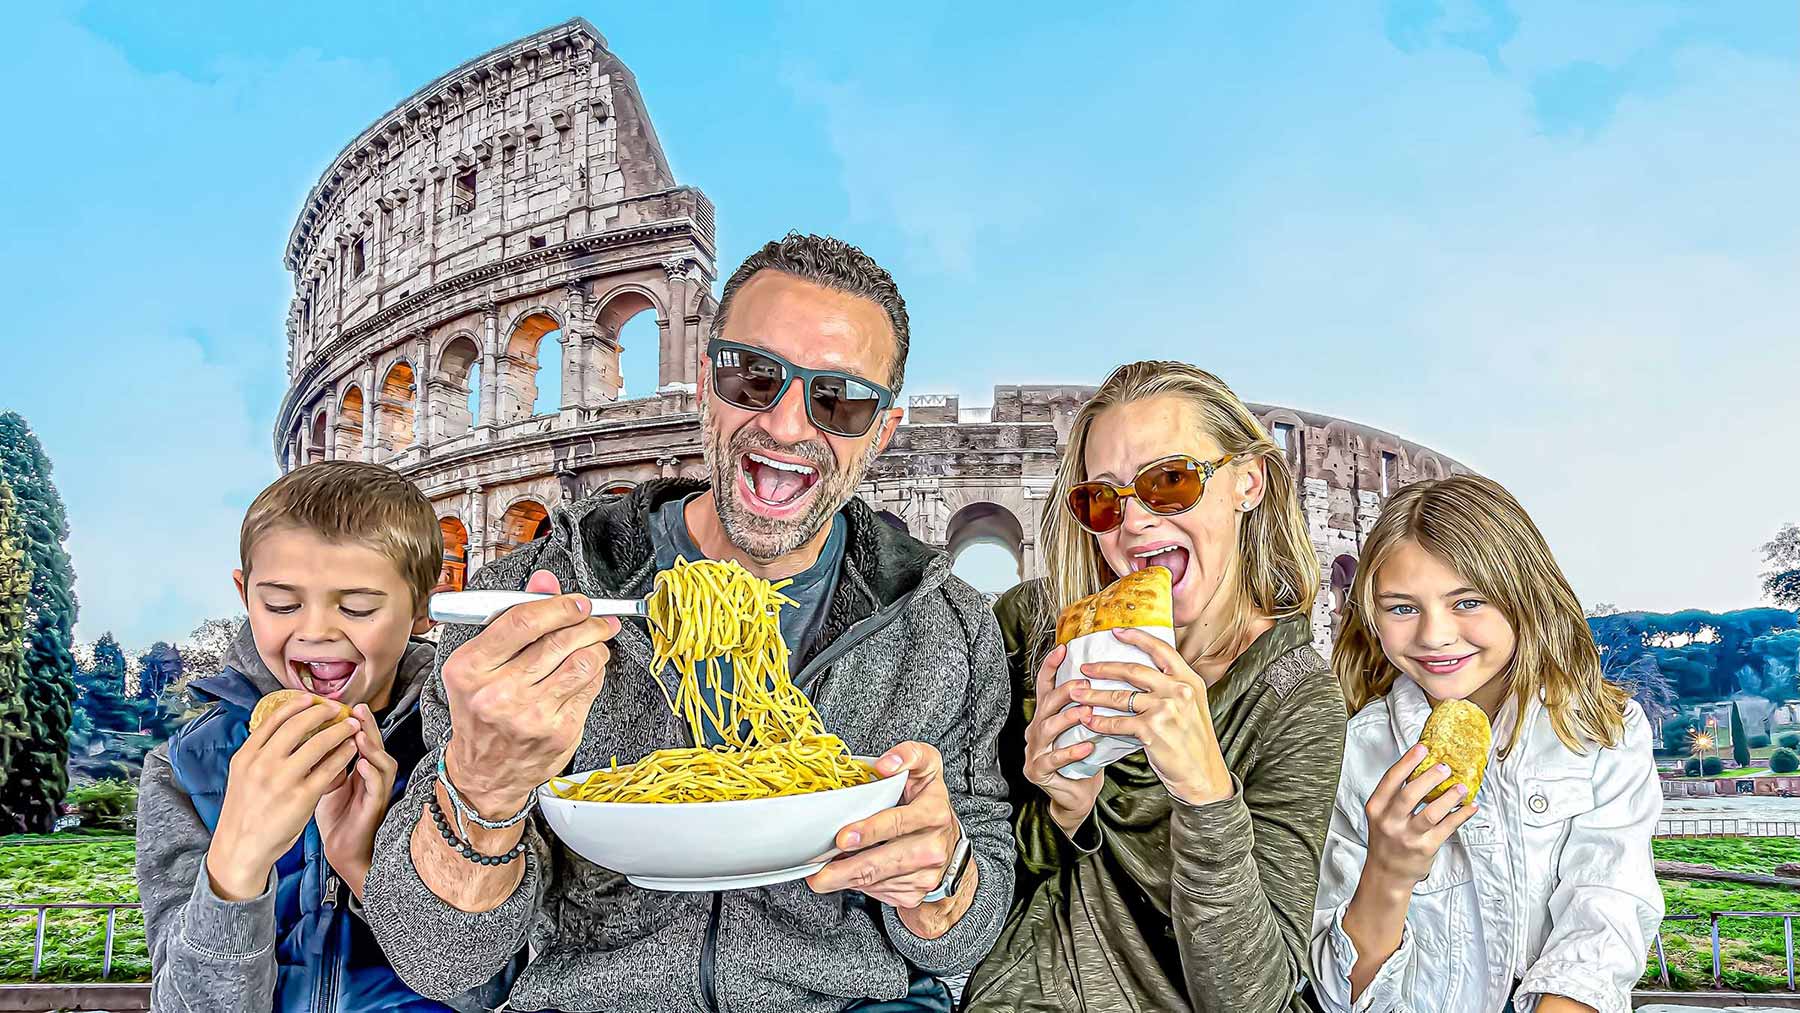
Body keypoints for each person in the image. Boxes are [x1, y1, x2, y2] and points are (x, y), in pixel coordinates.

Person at [363, 233, 1013, 1013]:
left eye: (839, 399)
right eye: (754, 375)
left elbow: (965, 931)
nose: (786, 425)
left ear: (880, 431)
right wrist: (482, 788)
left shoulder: (948, 628)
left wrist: (941, 881)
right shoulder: (526, 604)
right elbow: (436, 958)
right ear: (707, 382)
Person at [963, 361, 1347, 1013]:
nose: (1134, 522)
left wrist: (1206, 793)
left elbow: (1252, 999)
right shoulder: (1032, 626)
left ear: (1248, 481)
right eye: (1102, 499)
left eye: (1170, 481)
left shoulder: (1296, 701)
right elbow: (976, 891)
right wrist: (1061, 813)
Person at [1308, 474, 1664, 1013]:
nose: (1434, 635)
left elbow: (1606, 914)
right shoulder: (1352, 752)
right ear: (1371, 615)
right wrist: (1389, 872)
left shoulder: (1603, 729)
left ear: (1525, 597)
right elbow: (1341, 995)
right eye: (1401, 608)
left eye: (1468, 602)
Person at [136, 461, 454, 1012]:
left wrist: (368, 869)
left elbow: (495, 991)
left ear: (423, 607)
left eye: (357, 607)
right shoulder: (183, 767)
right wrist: (237, 861)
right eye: (281, 604)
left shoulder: (466, 753)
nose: (315, 631)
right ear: (244, 594)